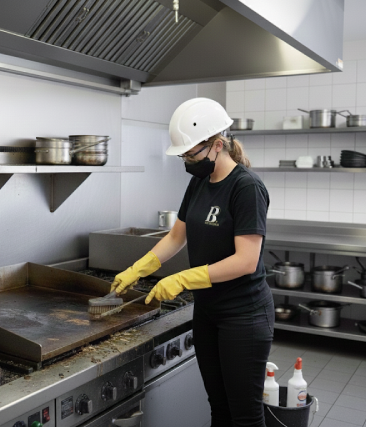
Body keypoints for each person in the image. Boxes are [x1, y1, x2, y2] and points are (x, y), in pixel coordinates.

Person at [110, 98, 274, 427]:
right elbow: (176, 237)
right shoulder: (199, 182)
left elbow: (246, 261)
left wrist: (183, 279)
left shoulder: (246, 187)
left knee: (245, 417)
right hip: (208, 313)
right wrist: (138, 268)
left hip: (243, 316)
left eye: (191, 154)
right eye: (183, 156)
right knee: (219, 409)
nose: (187, 161)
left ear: (217, 145)